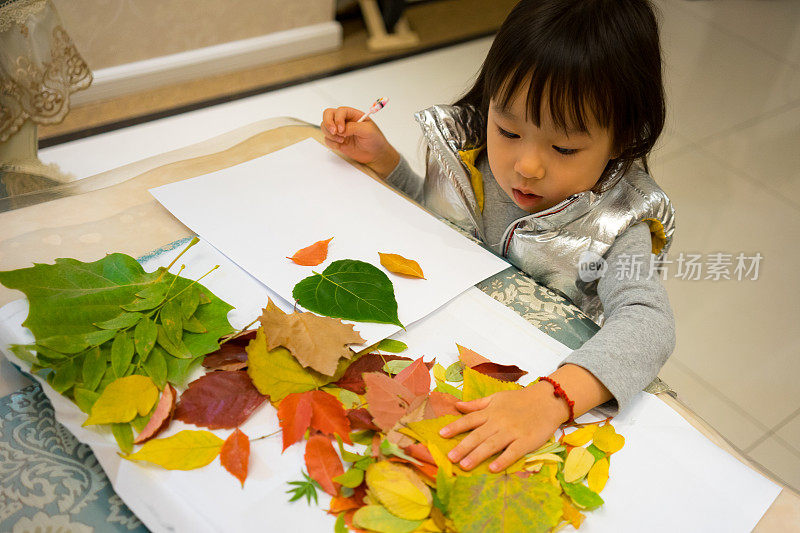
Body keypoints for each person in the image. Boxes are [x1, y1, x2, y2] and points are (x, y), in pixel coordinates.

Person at [321, 0, 675, 474]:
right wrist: (387, 165)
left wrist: (552, 400)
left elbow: (649, 325)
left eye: (565, 146)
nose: (526, 166)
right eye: (508, 130)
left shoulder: (620, 224)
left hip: (530, 387)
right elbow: (438, 224)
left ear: (623, 138)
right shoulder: (468, 158)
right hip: (435, 351)